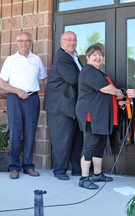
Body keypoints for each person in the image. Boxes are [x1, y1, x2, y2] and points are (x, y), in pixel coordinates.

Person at [75, 43, 124, 189]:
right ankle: (84, 178)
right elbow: (106, 89)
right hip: (91, 115)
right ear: (88, 57)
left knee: (100, 145)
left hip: (101, 115)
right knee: (89, 145)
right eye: (94, 55)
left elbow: (103, 94)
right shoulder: (88, 71)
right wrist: (119, 93)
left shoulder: (99, 73)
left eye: (100, 55)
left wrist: (117, 103)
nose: (98, 57)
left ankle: (97, 174)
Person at [0, 32, 47, 179]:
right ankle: (14, 167)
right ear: (17, 43)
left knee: (30, 132)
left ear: (31, 42)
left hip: (32, 98)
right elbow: (2, 82)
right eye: (21, 41)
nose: (24, 43)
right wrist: (17, 91)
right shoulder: (11, 60)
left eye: (27, 41)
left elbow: (44, 78)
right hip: (14, 98)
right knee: (15, 132)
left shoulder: (37, 59)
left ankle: (28, 166)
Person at [44, 31, 83, 180]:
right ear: (61, 42)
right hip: (60, 105)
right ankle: (59, 170)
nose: (72, 42)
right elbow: (73, 79)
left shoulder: (74, 56)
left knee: (75, 138)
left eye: (74, 40)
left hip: (71, 105)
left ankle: (76, 169)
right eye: (68, 40)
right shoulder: (62, 57)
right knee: (62, 139)